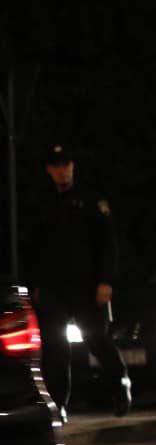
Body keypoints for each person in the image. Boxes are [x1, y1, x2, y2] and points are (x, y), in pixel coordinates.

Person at [25, 143, 130, 418]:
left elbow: (108, 245)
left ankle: (120, 384)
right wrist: (35, 285)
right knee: (56, 349)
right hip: (53, 289)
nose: (63, 171)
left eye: (67, 165)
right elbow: (33, 248)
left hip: (87, 287)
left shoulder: (91, 201)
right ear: (49, 170)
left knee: (96, 339)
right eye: (57, 166)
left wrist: (106, 280)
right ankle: (59, 404)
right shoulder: (42, 203)